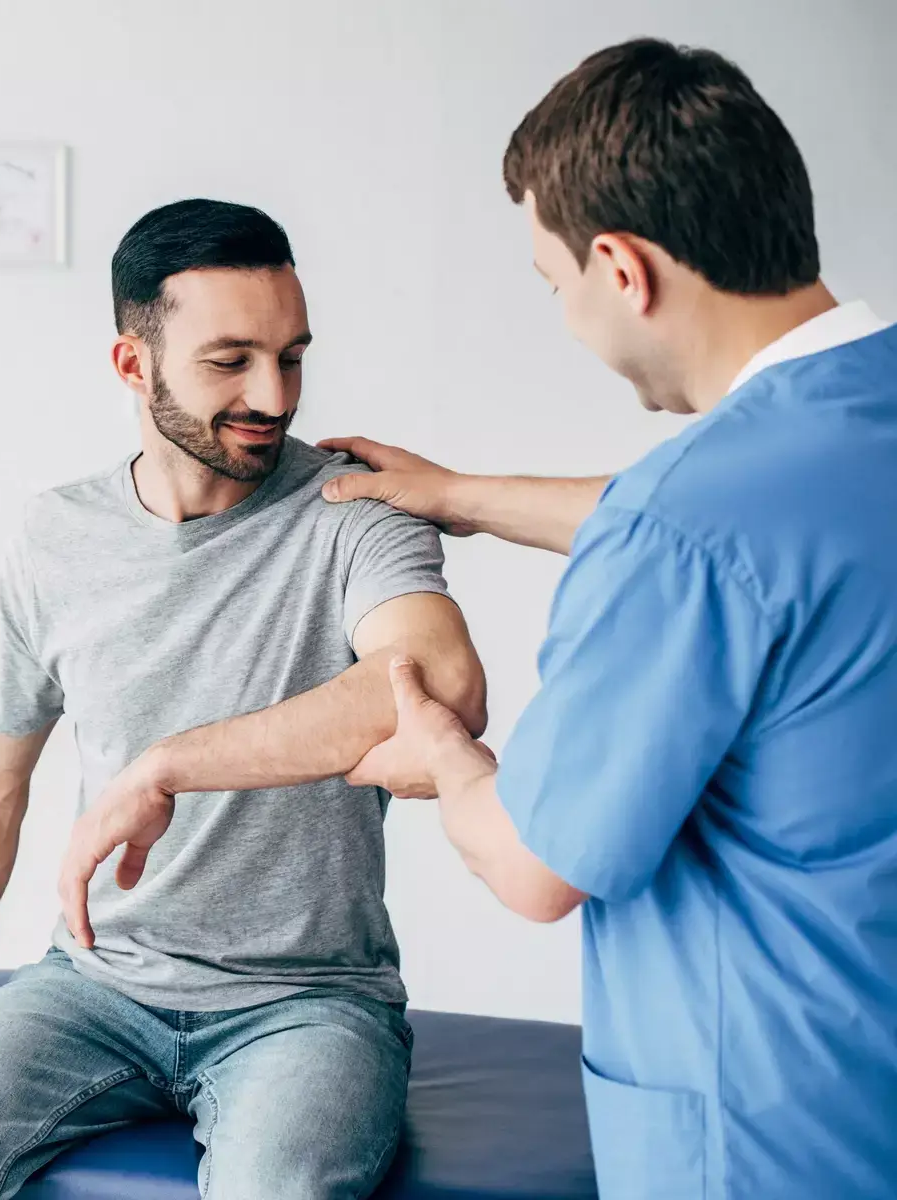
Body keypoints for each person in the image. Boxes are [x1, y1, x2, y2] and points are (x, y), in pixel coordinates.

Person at [0, 198, 487, 1199]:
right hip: (92, 986)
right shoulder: (54, 537)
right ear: (133, 364)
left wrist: (168, 764)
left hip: (307, 1002)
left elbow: (434, 686)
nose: (272, 392)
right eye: (230, 360)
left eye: (291, 356)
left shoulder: (354, 508)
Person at [304, 38, 897, 1199]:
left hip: (767, 1139)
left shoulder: (686, 526)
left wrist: (442, 755)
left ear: (620, 267)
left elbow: (534, 866)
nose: (566, 317)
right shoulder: (831, 439)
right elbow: (763, 532)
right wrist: (461, 496)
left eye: (553, 284)